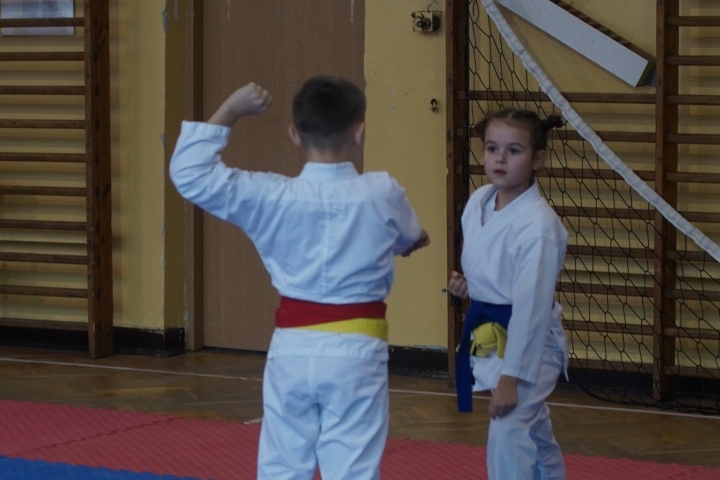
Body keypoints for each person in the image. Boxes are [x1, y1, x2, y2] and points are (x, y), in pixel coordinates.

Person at [169, 76, 430, 480]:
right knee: (354, 467)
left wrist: (232, 110)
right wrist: (409, 240)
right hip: (357, 350)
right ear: (360, 132)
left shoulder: (272, 196)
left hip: (292, 349)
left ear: (294, 133)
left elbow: (190, 174)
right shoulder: (381, 192)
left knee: (282, 464)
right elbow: (410, 236)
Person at [447, 108, 568, 479]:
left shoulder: (539, 227)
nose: (499, 158)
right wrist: (470, 286)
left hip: (531, 344)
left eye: (514, 151)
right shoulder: (479, 201)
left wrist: (511, 378)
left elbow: (531, 310)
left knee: (508, 428)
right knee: (528, 421)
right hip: (491, 332)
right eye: (491, 148)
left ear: (537, 160)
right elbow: (494, 272)